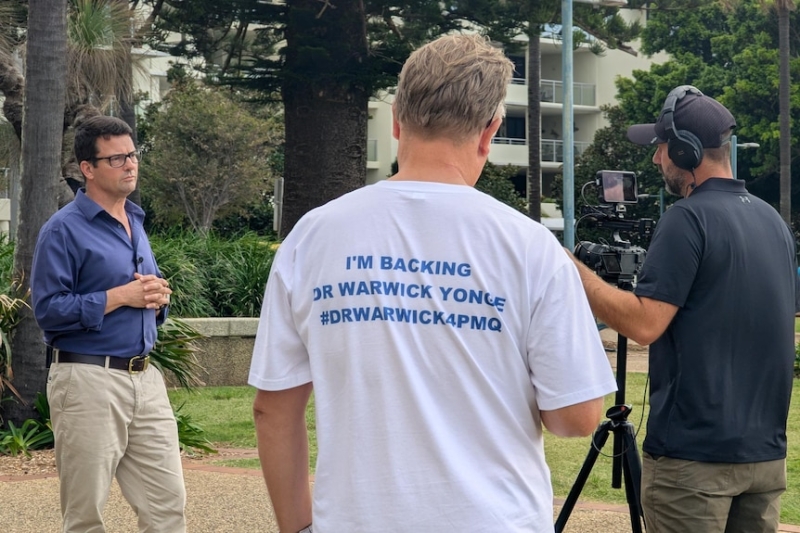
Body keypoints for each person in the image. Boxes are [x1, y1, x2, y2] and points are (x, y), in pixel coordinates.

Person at [249, 33, 617, 533]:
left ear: (398, 119)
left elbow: (273, 408)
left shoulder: (313, 235)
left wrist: (296, 529)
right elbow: (575, 418)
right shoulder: (531, 247)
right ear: (490, 130)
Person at [569, 85, 796, 533]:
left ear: (686, 149)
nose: (656, 159)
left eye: (660, 147)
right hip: (766, 460)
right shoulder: (774, 221)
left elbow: (645, 324)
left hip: (693, 464)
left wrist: (575, 273)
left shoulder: (686, 218)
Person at [31, 115, 185, 532]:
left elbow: (142, 298)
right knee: (86, 517)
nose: (130, 165)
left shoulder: (135, 221)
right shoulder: (62, 230)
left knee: (168, 508)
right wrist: (120, 297)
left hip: (145, 381)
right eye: (116, 158)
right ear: (88, 168)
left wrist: (157, 299)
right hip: (86, 381)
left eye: (132, 155)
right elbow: (48, 310)